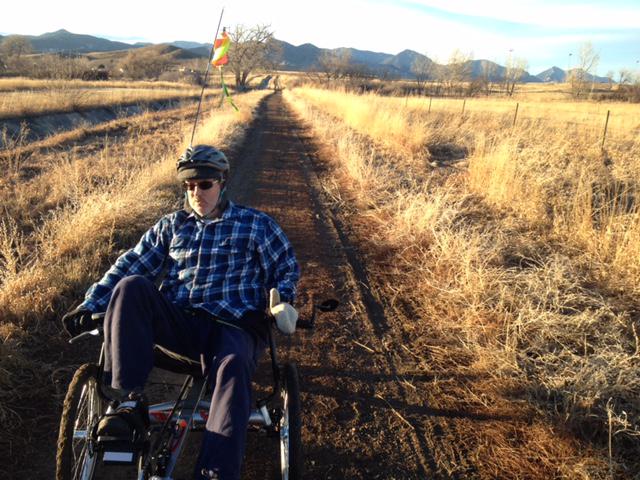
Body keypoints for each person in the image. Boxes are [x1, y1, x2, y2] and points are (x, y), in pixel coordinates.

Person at [62, 144, 300, 480]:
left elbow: (285, 267)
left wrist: (281, 302)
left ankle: (214, 473)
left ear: (222, 182)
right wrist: (91, 304)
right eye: (189, 186)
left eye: (204, 184)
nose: (196, 193)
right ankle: (129, 403)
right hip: (181, 323)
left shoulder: (256, 225)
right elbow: (131, 263)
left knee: (232, 368)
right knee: (131, 286)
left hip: (232, 326)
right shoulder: (172, 226)